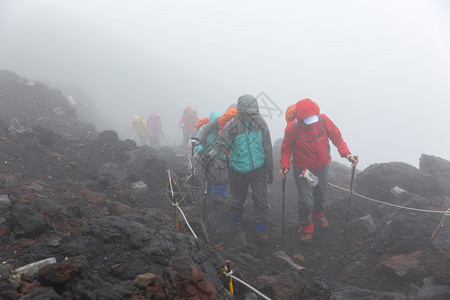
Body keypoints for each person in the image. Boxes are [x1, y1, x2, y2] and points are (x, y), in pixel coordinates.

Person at [278, 98, 359, 244]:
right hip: (302, 168)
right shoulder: (292, 128)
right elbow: (286, 148)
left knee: (322, 194)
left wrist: (347, 154)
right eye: (308, 119)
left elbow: (337, 137)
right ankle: (306, 228)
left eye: (313, 118)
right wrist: (284, 166)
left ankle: (318, 215)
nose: (312, 121)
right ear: (300, 118)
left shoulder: (323, 120)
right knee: (305, 201)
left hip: (322, 166)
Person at [204, 95, 273, 244]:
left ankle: (261, 229)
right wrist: (210, 156)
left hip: (258, 169)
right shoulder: (232, 125)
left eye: (254, 114)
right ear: (241, 112)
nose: (251, 117)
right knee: (237, 200)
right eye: (248, 114)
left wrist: (270, 170)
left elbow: (267, 147)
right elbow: (220, 144)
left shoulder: (261, 123)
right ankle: (236, 221)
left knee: (261, 200)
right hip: (237, 169)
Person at [192, 111, 228, 204]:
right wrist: (201, 151)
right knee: (205, 175)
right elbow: (197, 142)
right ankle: (206, 194)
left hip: (217, 157)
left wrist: (222, 157)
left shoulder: (224, 129)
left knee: (219, 175)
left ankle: (218, 196)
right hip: (204, 155)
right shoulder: (204, 129)